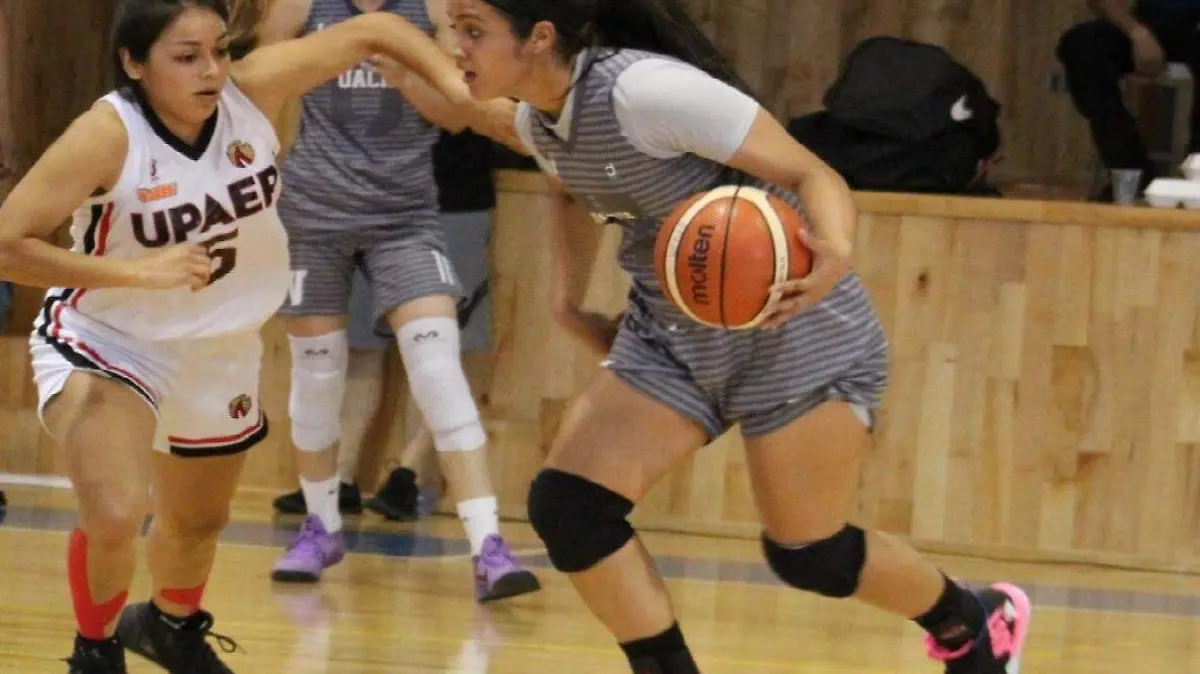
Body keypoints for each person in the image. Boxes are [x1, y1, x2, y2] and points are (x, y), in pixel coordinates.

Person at [448, 0, 1033, 673]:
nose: (456, 45)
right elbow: (568, 187)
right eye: (453, 30)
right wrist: (566, 303)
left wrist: (835, 249)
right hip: (674, 335)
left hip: (794, 329)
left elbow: (812, 173)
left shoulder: (645, 91)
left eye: (472, 31)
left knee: (810, 554)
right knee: (570, 507)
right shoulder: (541, 118)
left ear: (539, 37)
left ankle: (974, 621)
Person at [0, 0, 476, 671]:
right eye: (186, 57)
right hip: (109, 337)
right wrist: (134, 273)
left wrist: (459, 90)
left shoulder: (251, 93)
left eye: (219, 50)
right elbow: (8, 245)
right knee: (116, 511)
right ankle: (94, 653)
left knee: (198, 522)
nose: (211, 70)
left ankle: (169, 627)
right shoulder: (106, 133)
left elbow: (377, 29)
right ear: (134, 63)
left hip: (221, 345)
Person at [256, 0, 539, 602]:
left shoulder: (432, 9)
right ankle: (320, 526)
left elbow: (456, 114)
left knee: (437, 366)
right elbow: (258, 85)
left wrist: (407, 75)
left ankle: (488, 544)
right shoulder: (301, 5)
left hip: (404, 216)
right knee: (317, 373)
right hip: (313, 212)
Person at [1057, 0, 1200, 200]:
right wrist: (1136, 32)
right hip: (1151, 20)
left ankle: (1196, 179)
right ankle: (1130, 173)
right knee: (1082, 46)